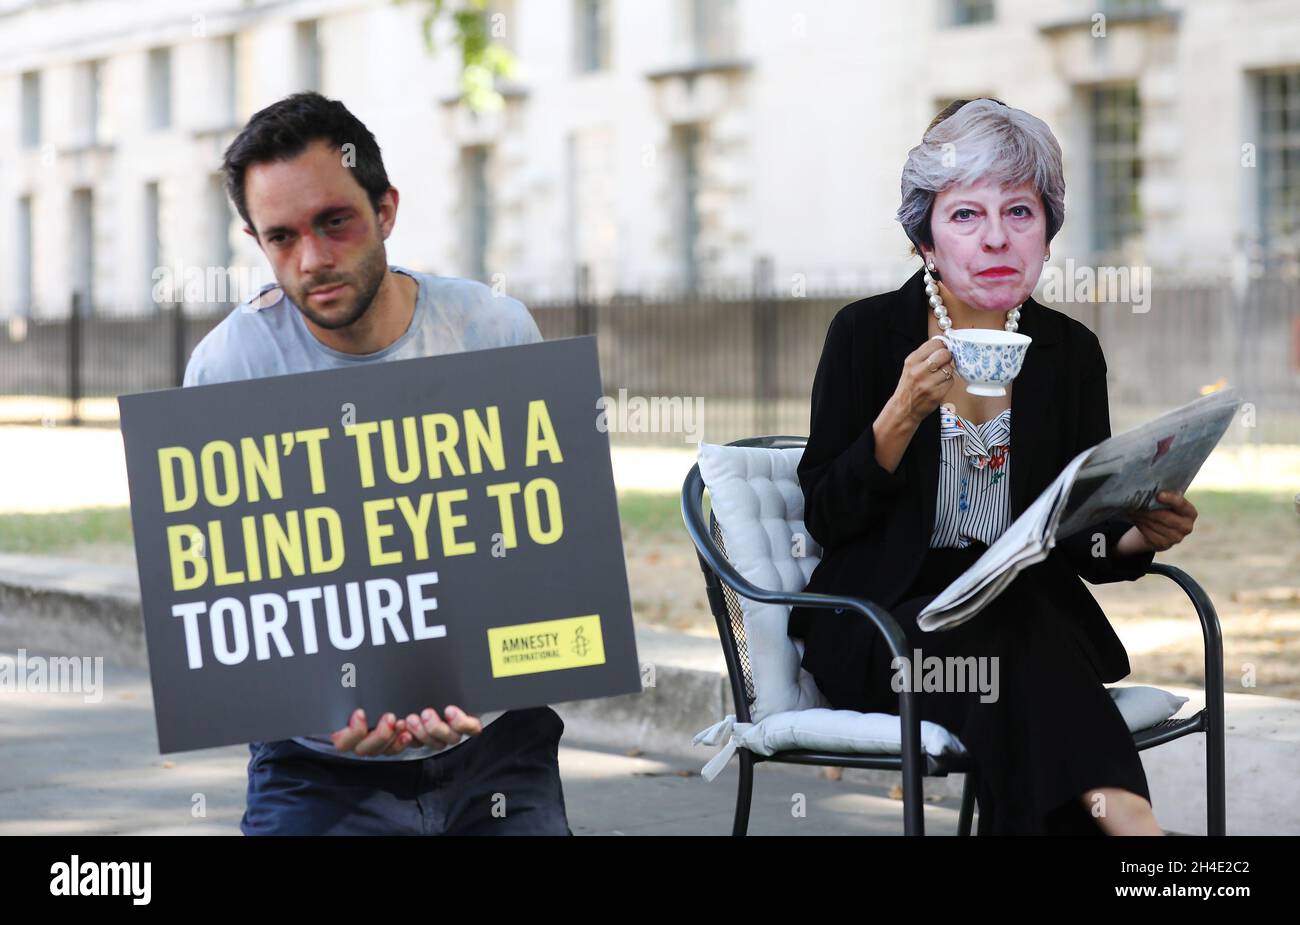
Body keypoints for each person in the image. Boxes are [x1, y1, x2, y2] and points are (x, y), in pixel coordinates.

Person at [787, 98, 1198, 836]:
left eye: (1020, 211)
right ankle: (1140, 835)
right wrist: (900, 414)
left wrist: (1141, 535)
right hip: (887, 638)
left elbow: (1079, 540)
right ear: (926, 240)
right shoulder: (864, 336)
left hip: (1018, 635)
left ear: (1047, 231)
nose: (997, 238)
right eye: (966, 215)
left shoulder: (1069, 352)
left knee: (1012, 654)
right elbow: (827, 517)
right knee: (1016, 653)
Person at [184, 91, 569, 835]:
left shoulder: (491, 330)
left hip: (496, 745)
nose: (314, 260)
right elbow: (230, 607)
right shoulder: (230, 367)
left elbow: (548, 556)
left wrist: (483, 696)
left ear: (387, 210)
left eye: (336, 222)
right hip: (315, 764)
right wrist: (317, 711)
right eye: (282, 237)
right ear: (254, 240)